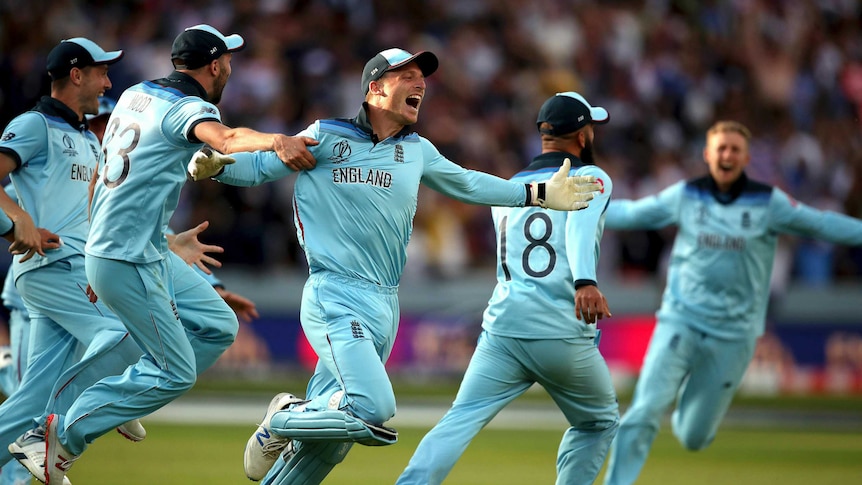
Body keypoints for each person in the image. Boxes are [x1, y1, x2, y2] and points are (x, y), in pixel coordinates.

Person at [189, 48, 602, 484]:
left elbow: (469, 183)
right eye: (407, 75)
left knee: (330, 445)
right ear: (376, 87)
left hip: (386, 304)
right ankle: (283, 417)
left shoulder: (418, 150)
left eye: (422, 77)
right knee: (373, 410)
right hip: (335, 295)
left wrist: (536, 195)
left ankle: (297, 429)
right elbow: (255, 169)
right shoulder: (328, 137)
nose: (420, 83)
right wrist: (218, 168)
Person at [26, 24, 316, 485]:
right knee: (177, 374)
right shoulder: (190, 107)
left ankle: (126, 396)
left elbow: (101, 174)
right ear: (216, 64)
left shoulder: (135, 95)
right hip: (128, 257)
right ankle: (61, 436)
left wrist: (91, 252)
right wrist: (277, 139)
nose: (231, 69)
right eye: (229, 61)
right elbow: (222, 139)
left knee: (219, 324)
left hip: (131, 251)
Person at [601, 120, 862, 485]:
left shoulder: (768, 203)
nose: (727, 155)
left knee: (693, 436)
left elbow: (818, 224)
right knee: (644, 408)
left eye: (734, 149)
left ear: (746, 158)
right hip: (681, 320)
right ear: (708, 154)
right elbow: (632, 214)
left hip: (734, 335)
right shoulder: (687, 195)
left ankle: (688, 419)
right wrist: (578, 209)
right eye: (720, 148)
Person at [396, 91, 620, 485]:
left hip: (503, 329)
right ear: (583, 135)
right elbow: (580, 230)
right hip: (560, 328)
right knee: (597, 423)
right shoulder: (593, 176)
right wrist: (585, 280)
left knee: (459, 419)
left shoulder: (511, 188)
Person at [0, 37, 154, 485]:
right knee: (125, 333)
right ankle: (105, 400)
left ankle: (102, 397)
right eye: (102, 72)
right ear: (76, 74)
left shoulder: (86, 137)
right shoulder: (35, 125)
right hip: (53, 266)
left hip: (76, 270)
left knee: (32, 402)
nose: (107, 82)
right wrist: (16, 219)